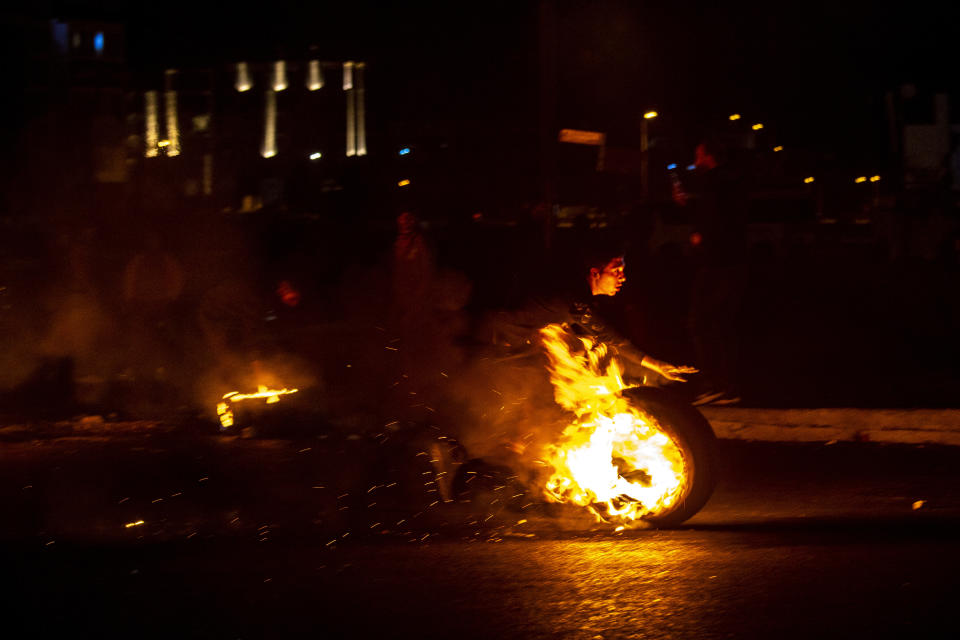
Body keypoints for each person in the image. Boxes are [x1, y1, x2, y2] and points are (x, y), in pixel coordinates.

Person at [673, 138, 748, 405]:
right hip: (728, 263)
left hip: (718, 264)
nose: (695, 161)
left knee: (704, 323)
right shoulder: (728, 182)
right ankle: (726, 386)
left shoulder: (715, 182)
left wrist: (700, 238)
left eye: (698, 155)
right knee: (719, 324)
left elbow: (715, 218)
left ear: (708, 156)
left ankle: (719, 385)